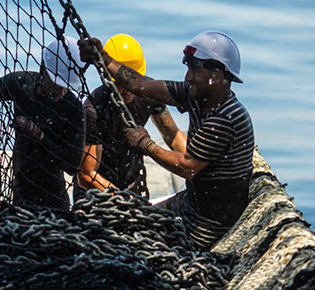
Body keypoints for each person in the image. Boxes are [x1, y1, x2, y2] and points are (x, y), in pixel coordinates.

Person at [84, 30, 254, 248]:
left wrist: (146, 145)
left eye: (195, 70)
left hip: (207, 222)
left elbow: (188, 168)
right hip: (189, 203)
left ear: (217, 75)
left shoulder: (224, 118)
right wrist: (104, 59)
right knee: (133, 218)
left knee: (124, 241)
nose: (188, 77)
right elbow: (140, 85)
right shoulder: (197, 95)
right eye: (188, 68)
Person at [0, 35, 88, 211]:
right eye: (56, 83)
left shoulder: (73, 109)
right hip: (21, 191)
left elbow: (73, 165)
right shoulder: (22, 83)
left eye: (65, 85)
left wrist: (40, 136)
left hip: (54, 199)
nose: (60, 90)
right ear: (43, 70)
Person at [75, 34, 178, 200]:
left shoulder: (148, 93)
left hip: (132, 186)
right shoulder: (94, 109)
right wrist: (125, 201)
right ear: (106, 75)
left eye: (127, 82)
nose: (125, 89)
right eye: (118, 83)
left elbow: (173, 137)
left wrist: (196, 168)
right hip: (95, 196)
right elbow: (87, 175)